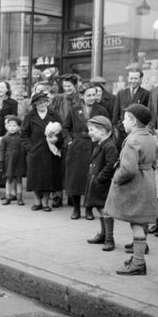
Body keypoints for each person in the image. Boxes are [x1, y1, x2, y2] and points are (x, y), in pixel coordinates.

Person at [104, 104, 158, 276]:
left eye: (125, 119)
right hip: (148, 181)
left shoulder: (133, 140)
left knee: (136, 223)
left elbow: (128, 169)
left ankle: (138, 263)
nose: (123, 122)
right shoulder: (149, 137)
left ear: (133, 121)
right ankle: (137, 257)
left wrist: (116, 178)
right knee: (142, 221)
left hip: (135, 186)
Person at [62, 84, 109, 220]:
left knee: (91, 178)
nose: (92, 98)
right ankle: (76, 209)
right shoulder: (74, 109)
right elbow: (65, 128)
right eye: (88, 95)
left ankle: (89, 209)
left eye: (94, 95)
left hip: (95, 147)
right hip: (77, 147)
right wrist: (69, 142)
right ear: (82, 96)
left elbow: (108, 129)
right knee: (75, 179)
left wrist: (103, 144)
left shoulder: (101, 110)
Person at [20, 91, 63, 211]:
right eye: (39, 103)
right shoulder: (30, 116)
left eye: (44, 102)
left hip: (50, 151)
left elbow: (62, 131)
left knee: (48, 178)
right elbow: (24, 134)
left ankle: (45, 202)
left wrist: (57, 140)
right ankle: (37, 201)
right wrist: (30, 148)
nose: (42, 105)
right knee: (35, 178)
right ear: (34, 104)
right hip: (35, 151)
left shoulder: (54, 114)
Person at [84, 116, 119, 251]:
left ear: (103, 131)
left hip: (103, 184)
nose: (89, 133)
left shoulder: (109, 146)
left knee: (105, 210)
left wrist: (100, 178)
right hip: (97, 183)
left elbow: (111, 165)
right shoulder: (101, 145)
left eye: (91, 130)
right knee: (99, 208)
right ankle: (104, 235)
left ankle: (110, 239)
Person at [50, 73, 81, 207]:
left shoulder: (80, 98)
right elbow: (51, 113)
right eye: (64, 86)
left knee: (72, 167)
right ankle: (57, 195)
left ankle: (71, 195)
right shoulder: (58, 98)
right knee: (57, 166)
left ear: (75, 86)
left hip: (75, 135)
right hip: (59, 135)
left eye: (69, 86)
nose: (66, 88)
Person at [112, 69, 150, 148]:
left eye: (136, 78)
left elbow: (147, 114)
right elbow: (115, 113)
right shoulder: (121, 93)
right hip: (122, 131)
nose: (133, 81)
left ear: (141, 79)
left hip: (138, 132)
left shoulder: (146, 94)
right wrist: (117, 127)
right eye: (131, 78)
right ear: (127, 78)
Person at [0, 115, 26, 205]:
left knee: (19, 179)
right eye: (10, 126)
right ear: (7, 127)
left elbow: (24, 148)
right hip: (8, 161)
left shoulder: (21, 137)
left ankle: (19, 198)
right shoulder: (5, 138)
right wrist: (1, 161)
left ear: (18, 127)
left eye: (14, 126)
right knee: (9, 179)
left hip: (19, 161)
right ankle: (8, 197)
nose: (12, 128)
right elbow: (2, 151)